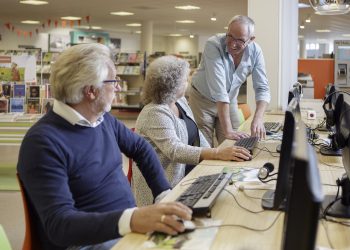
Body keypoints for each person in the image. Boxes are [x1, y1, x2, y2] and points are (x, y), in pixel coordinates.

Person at [17, 44, 192, 250]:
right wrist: (132, 219)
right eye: (113, 81)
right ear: (91, 91)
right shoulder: (43, 143)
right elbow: (60, 225)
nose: (118, 87)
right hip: (85, 242)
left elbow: (141, 149)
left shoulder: (102, 120)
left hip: (124, 229)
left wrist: (163, 194)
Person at [134, 55, 251, 206]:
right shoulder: (154, 112)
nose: (188, 82)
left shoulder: (180, 102)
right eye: (185, 80)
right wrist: (217, 154)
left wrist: (219, 158)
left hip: (188, 177)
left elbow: (196, 134)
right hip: (163, 190)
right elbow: (175, 150)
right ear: (172, 84)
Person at [189, 15, 271, 146]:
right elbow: (219, 89)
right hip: (202, 100)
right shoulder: (214, 44)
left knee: (236, 143)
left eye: (240, 40)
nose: (233, 43)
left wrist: (258, 118)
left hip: (229, 99)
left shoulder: (256, 52)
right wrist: (228, 131)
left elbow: (262, 88)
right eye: (230, 36)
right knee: (204, 146)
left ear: (251, 40)